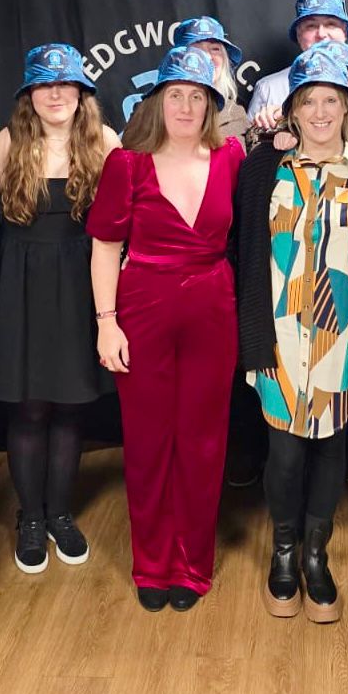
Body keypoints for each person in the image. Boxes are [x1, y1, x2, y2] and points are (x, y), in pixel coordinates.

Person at [235, 47, 348, 623]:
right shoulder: (262, 168)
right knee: (283, 451)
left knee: (331, 447)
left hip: (341, 341)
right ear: (291, 110)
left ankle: (318, 553)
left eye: (332, 100)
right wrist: (253, 342)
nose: (321, 111)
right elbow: (244, 257)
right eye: (309, 101)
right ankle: (284, 552)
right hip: (279, 336)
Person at [87, 46, 243, 612]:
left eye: (196, 97)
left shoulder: (231, 158)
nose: (184, 105)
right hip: (143, 307)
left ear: (210, 106)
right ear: (156, 102)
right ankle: (151, 562)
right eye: (174, 94)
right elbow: (105, 247)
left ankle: (192, 563)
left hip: (212, 308)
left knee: (203, 441)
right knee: (150, 441)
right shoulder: (126, 163)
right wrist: (107, 325)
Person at [0, 42, 120, 574]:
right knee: (28, 408)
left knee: (69, 406)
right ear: (30, 95)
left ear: (81, 92)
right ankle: (30, 517)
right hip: (22, 289)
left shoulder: (104, 141)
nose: (56, 94)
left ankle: (60, 514)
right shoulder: (9, 142)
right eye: (45, 84)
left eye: (65, 85)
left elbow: (130, 212)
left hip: (81, 285)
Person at [247, 0, 348, 129]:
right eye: (311, 26)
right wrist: (272, 123)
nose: (321, 34)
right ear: (298, 36)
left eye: (331, 24)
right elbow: (252, 144)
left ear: (345, 31)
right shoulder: (269, 89)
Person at [173, 16, 250, 143]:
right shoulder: (156, 111)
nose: (208, 57)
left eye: (215, 49)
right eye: (196, 49)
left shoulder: (236, 114)